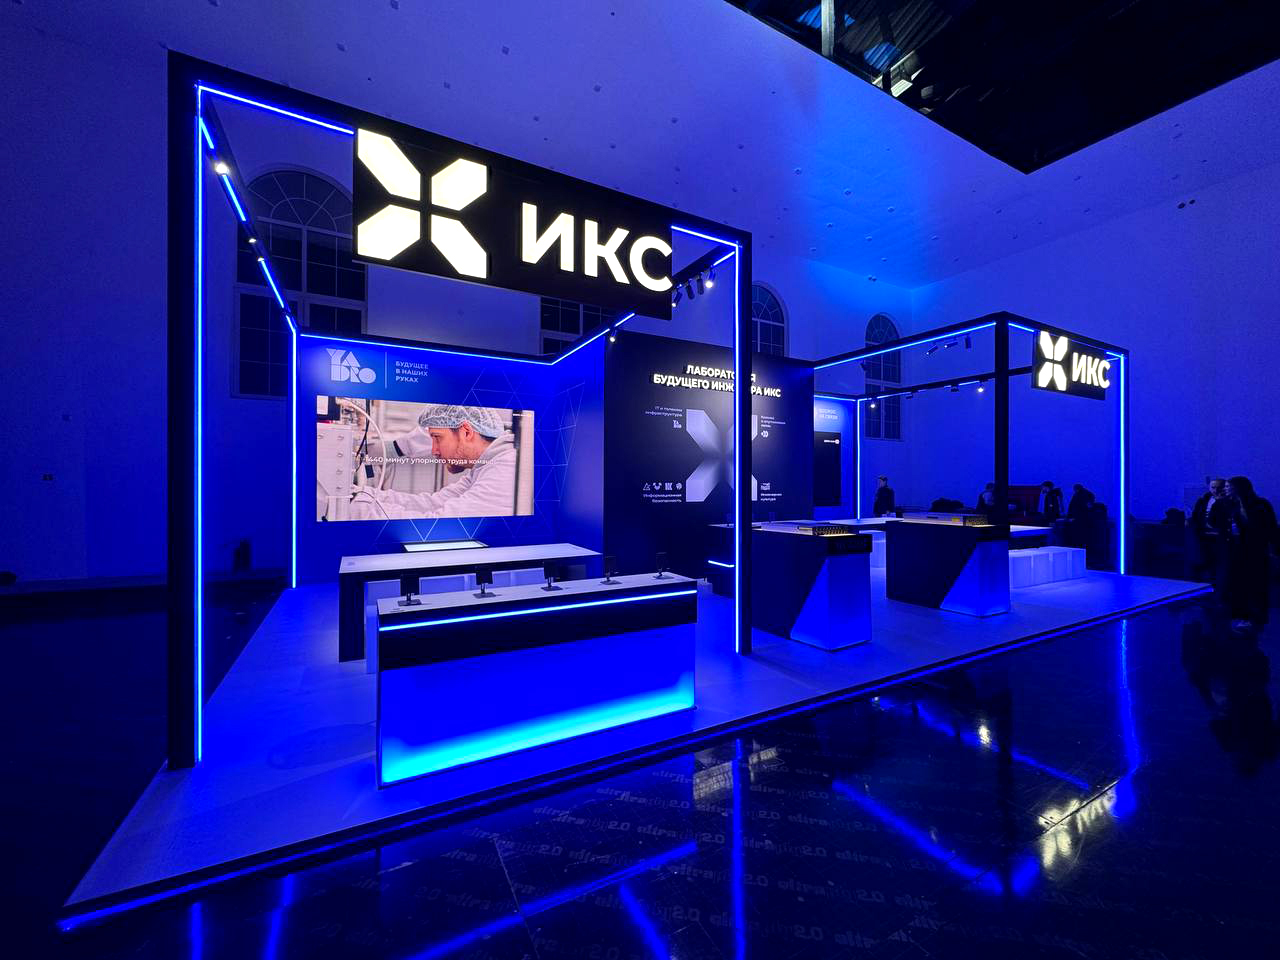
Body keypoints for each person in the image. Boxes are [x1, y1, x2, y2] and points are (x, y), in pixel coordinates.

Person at [349, 405, 519, 520]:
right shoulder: (484, 466)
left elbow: (439, 525)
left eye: (437, 438)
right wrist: (362, 494)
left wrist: (356, 509)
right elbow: (432, 503)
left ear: (466, 432)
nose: (433, 450)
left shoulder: (505, 469)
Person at [1221, 476, 1278, 631]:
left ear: (1238, 488)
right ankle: (1241, 616)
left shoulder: (1260, 504)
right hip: (1236, 550)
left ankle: (1258, 617)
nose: (1226, 489)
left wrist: (1274, 548)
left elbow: (1270, 527)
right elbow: (1217, 521)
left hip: (1255, 549)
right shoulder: (1230, 504)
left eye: (1228, 486)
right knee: (1238, 583)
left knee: (1257, 583)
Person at [1190, 477, 1230, 579]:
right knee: (1204, 555)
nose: (1216, 490)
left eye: (1219, 487)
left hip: (1222, 534)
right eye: (1213, 487)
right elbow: (1196, 515)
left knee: (1219, 559)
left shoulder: (1229, 501)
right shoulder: (1203, 500)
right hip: (1203, 533)